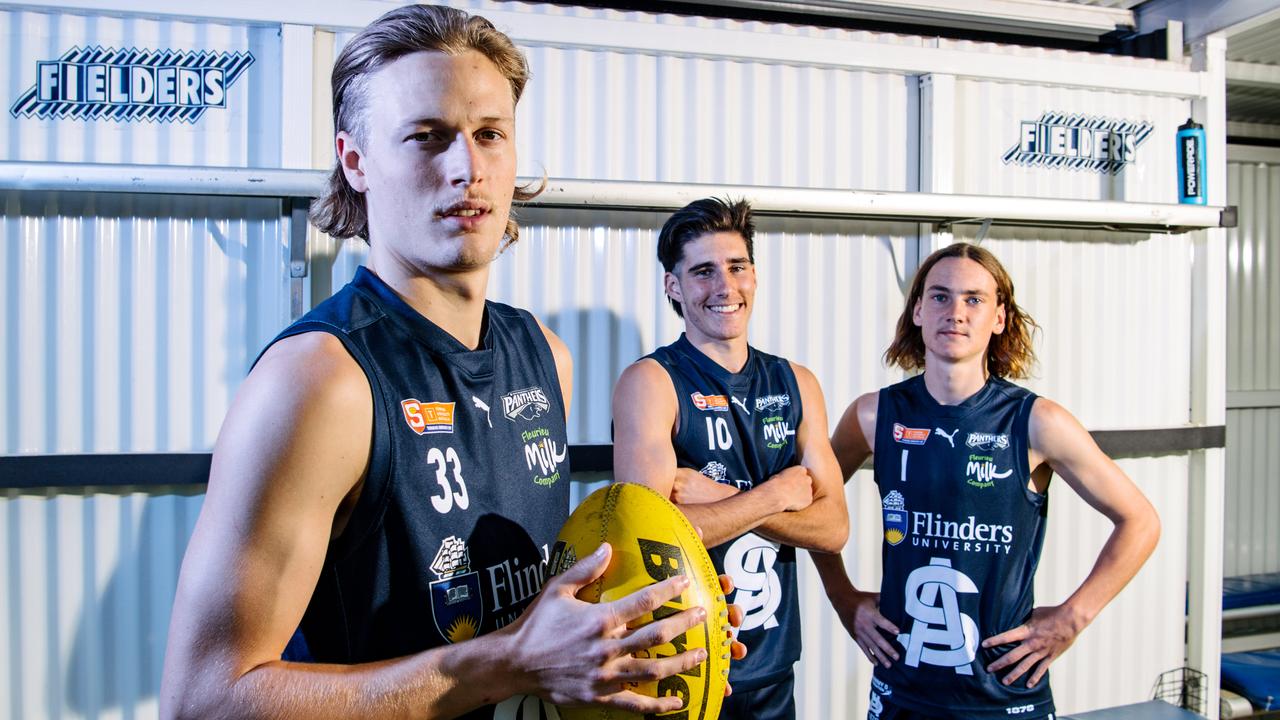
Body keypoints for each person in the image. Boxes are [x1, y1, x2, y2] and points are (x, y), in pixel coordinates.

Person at [160, 6, 719, 719]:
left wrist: (647, 627)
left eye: (490, 134)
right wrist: (503, 664)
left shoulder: (544, 356)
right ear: (355, 161)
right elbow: (205, 701)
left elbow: (525, 613)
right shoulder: (321, 381)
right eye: (427, 138)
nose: (468, 168)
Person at [812, 242, 1161, 720]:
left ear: (999, 317)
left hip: (1004, 693)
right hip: (902, 688)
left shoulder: (1038, 422)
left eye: (974, 299)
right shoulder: (874, 415)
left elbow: (1140, 520)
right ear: (917, 311)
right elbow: (811, 507)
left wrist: (1073, 618)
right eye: (939, 296)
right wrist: (842, 597)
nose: (955, 312)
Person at [612, 197, 849, 720]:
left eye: (736, 266)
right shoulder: (650, 383)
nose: (724, 286)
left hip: (772, 670)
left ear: (754, 276)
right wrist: (777, 494)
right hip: (684, 668)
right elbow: (650, 541)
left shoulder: (797, 383)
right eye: (702, 272)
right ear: (673, 287)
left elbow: (833, 528)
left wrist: (724, 499)